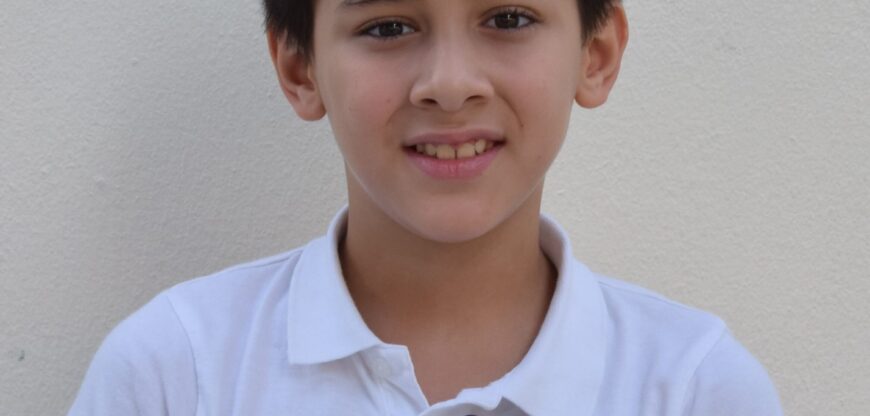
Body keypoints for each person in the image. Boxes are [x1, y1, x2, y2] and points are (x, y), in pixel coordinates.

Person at [69, 0, 782, 414]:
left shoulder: (695, 390)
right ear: (299, 67)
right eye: (388, 26)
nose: (449, 83)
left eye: (507, 16)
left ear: (595, 54)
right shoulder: (176, 374)